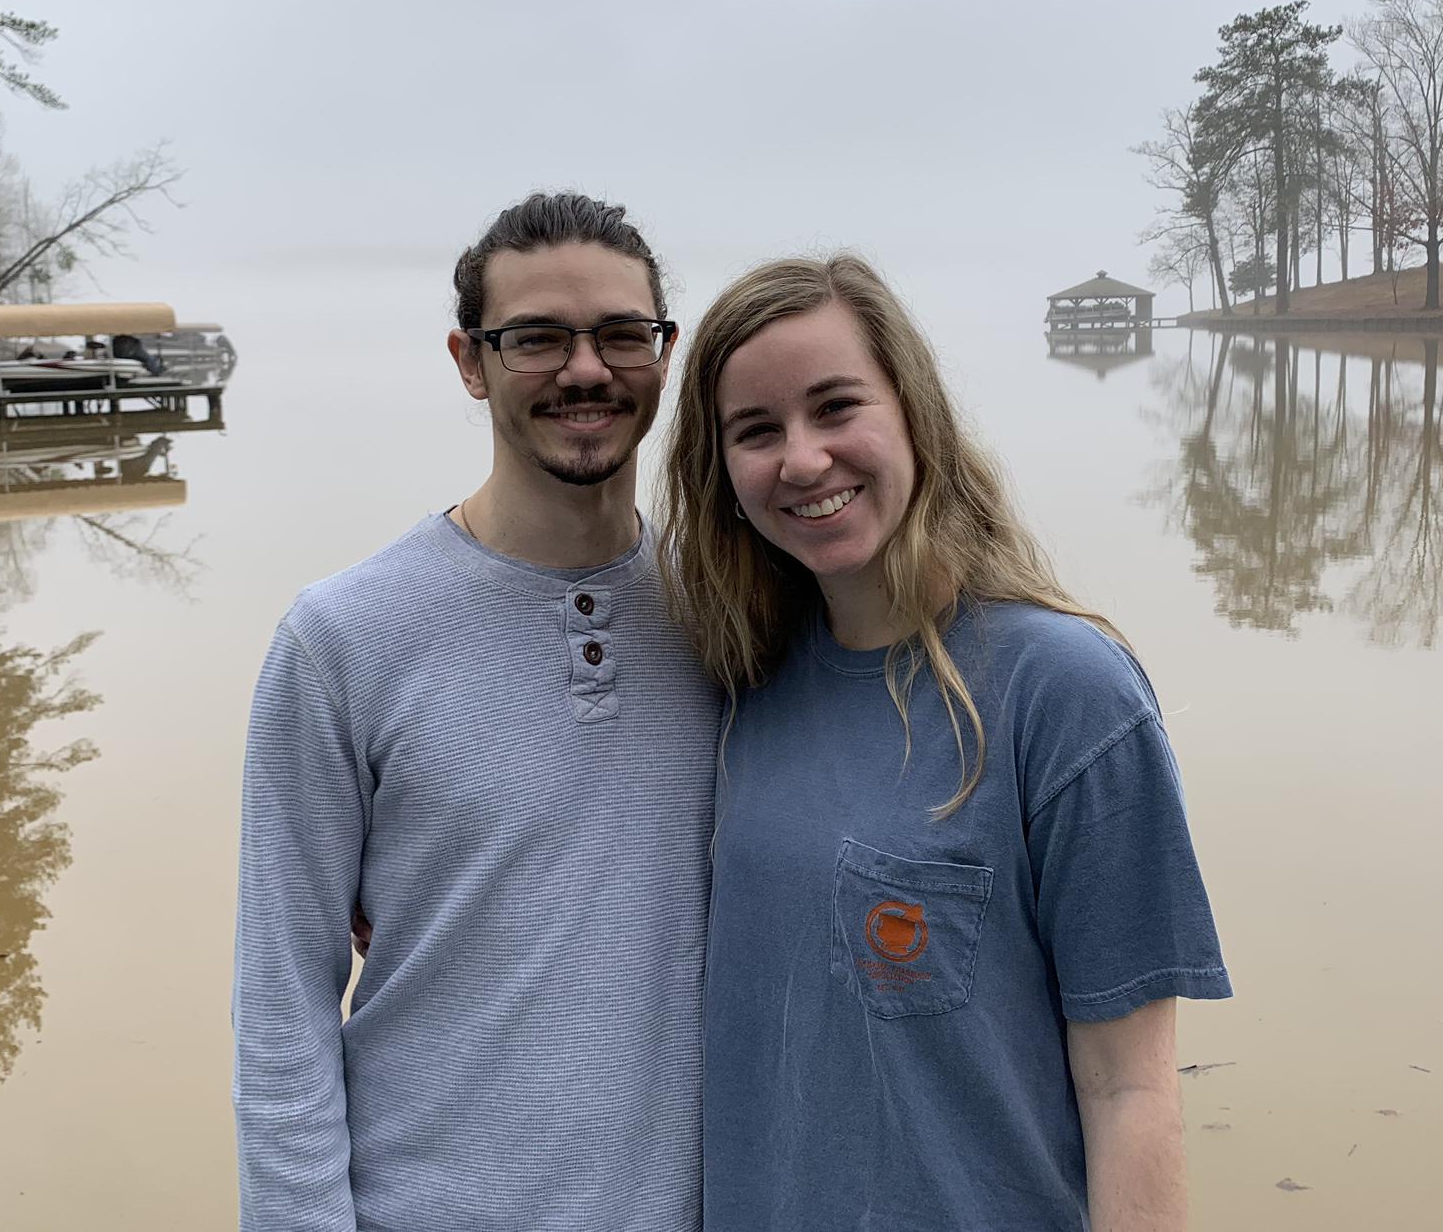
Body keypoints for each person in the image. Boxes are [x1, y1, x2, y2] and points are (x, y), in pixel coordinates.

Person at [658, 254, 1231, 1232]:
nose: (800, 460)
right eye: (756, 431)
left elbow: (1129, 1092)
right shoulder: (730, 680)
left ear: (914, 414)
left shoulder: (1065, 694)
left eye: (835, 408)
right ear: (723, 475)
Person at [234, 192, 718, 1232]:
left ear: (663, 355)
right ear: (469, 360)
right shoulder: (339, 639)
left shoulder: (732, 617)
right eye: (536, 338)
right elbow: (282, 1010)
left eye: (619, 335)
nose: (584, 370)